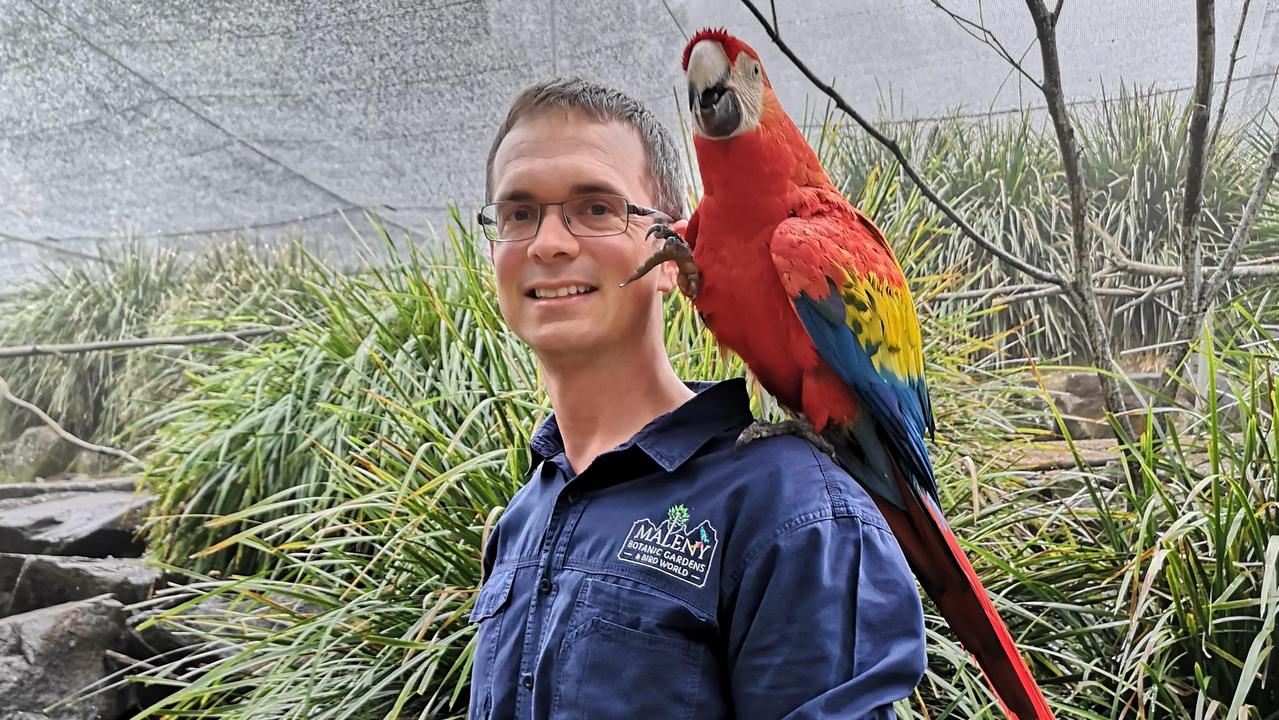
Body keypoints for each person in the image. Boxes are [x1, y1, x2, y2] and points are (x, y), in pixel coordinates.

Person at [469, 77, 926, 720]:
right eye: (518, 213)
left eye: (597, 208)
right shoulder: (521, 519)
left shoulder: (790, 512)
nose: (548, 243)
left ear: (668, 251)